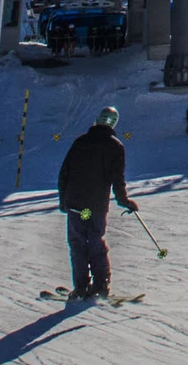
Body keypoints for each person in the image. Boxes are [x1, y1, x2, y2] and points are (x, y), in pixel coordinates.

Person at [57, 106, 140, 300]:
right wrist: (124, 201)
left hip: (78, 207)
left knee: (78, 244)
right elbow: (117, 179)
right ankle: (101, 284)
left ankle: (81, 287)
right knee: (95, 240)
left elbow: (64, 174)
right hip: (95, 208)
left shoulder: (80, 142)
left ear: (96, 120)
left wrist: (63, 201)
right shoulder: (115, 146)